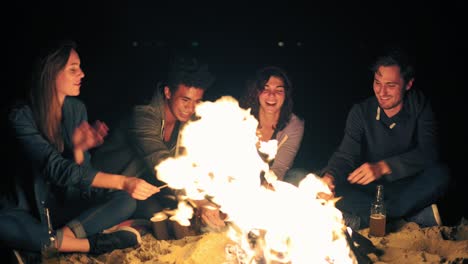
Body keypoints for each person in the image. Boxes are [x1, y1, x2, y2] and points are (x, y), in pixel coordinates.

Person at [0, 40, 160, 260]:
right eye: (73, 69)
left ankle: (51, 244)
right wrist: (123, 181)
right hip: (27, 211)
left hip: (62, 208)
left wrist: (78, 151)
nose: (82, 74)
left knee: (125, 201)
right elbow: (55, 169)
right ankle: (90, 244)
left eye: (80, 67)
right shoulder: (20, 115)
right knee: (3, 224)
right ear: (49, 74)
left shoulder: (76, 109)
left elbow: (78, 185)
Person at [319, 47, 450, 229]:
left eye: (391, 85)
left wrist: (384, 167)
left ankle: (370, 219)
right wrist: (330, 177)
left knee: (441, 175)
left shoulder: (420, 106)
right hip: (370, 189)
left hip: (407, 187)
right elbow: (346, 155)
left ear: (408, 84)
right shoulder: (361, 112)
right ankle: (408, 217)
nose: (382, 92)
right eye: (377, 82)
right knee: (332, 183)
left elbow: (428, 153)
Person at [91, 56, 225, 232]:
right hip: (104, 187)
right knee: (154, 212)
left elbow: (191, 163)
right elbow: (161, 161)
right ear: (168, 92)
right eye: (185, 100)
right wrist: (199, 200)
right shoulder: (143, 115)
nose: (191, 108)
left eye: (197, 101)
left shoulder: (186, 121)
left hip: (140, 188)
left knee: (172, 213)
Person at [239, 66, 305, 183]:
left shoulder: (294, 125)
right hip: (239, 178)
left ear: (285, 95)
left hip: (270, 183)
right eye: (266, 89)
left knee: (298, 175)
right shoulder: (242, 117)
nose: (271, 95)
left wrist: (266, 188)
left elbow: (280, 168)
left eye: (279, 90)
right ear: (257, 92)